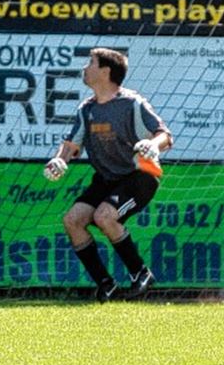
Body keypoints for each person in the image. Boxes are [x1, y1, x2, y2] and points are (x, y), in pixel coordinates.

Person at [43, 47, 173, 301]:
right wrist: (59, 159)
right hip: (106, 179)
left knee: (105, 216)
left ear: (105, 71)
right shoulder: (87, 109)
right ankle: (106, 285)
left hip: (140, 176)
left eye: (90, 62)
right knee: (72, 221)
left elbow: (165, 135)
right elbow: (71, 144)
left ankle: (141, 273)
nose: (84, 68)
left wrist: (152, 145)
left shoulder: (132, 103)